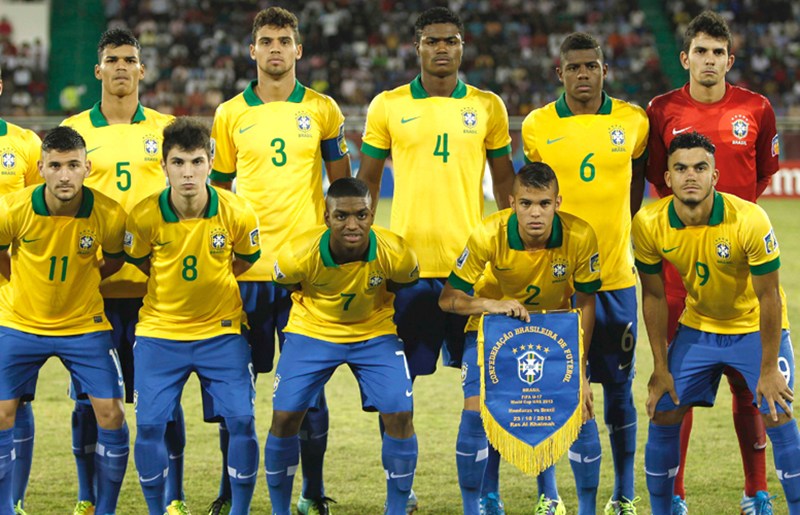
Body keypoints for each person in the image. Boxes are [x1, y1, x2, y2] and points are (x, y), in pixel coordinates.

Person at [358, 8, 514, 510]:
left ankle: (485, 493)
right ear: (417, 46)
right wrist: (361, 248)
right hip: (405, 272)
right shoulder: (388, 105)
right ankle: (400, 491)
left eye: (450, 40)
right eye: (432, 41)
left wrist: (514, 247)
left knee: (483, 393)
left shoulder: (488, 106)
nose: (441, 48)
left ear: (463, 45)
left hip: (472, 273)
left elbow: (506, 182)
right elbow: (367, 183)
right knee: (396, 396)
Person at [210, 7, 350, 513]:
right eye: (266, 41)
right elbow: (218, 194)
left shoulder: (322, 109)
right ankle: (230, 492)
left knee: (307, 393)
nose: (275, 49)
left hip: (302, 276)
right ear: (252, 50)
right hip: (245, 273)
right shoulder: (230, 114)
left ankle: (312, 493)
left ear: (298, 49)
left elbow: (344, 189)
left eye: (284, 40)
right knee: (235, 394)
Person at [645, 11, 781, 514]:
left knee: (750, 388)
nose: (709, 60)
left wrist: (734, 228)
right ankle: (675, 496)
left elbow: (762, 174)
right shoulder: (661, 110)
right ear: (685, 58)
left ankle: (756, 491)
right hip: (679, 274)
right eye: (700, 51)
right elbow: (659, 179)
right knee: (675, 389)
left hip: (741, 272)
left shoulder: (757, 108)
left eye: (717, 52)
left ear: (730, 59)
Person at [633, 131, 800, 515]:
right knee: (663, 408)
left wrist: (769, 368)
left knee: (777, 410)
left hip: (753, 327)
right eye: (681, 168)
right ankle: (664, 509)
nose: (690, 175)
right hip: (700, 326)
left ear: (715, 175)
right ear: (668, 178)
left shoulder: (749, 219)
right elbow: (654, 296)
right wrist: (660, 367)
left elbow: (770, 297)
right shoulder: (648, 223)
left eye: (700, 167)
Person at [521, 32, 649, 515]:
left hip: (615, 280)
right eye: (573, 67)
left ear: (604, 70)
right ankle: (548, 494)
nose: (582, 74)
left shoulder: (632, 121)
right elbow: (533, 197)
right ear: (559, 73)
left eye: (591, 66)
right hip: (554, 285)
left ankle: (624, 493)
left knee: (618, 391)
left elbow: (637, 184)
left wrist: (613, 232)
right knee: (549, 390)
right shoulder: (537, 125)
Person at [59, 28, 180, 515]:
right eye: (113, 59)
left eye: (130, 59)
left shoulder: (167, 129)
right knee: (89, 401)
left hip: (157, 290)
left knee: (162, 401)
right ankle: (87, 497)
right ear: (98, 69)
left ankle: (174, 498)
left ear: (142, 69)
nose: (122, 67)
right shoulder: (74, 131)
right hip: (94, 288)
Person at [438, 163, 599, 515]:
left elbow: (587, 302)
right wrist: (490, 305)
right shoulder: (488, 233)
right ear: (512, 203)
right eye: (526, 203)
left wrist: (582, 371)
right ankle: (475, 505)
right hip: (492, 330)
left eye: (544, 203)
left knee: (582, 410)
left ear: (558, 202)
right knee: (476, 411)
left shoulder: (581, 235)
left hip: (553, 331)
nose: (535, 213)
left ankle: (558, 499)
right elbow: (448, 298)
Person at [125, 118, 261, 515]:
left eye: (197, 162)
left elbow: (245, 260)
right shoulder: (144, 215)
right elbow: (142, 264)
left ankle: (239, 511)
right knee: (149, 426)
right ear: (163, 165)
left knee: (242, 421)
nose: (188, 173)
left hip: (221, 334)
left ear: (211, 162)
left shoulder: (237, 211)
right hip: (159, 333)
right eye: (179, 162)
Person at [265, 177, 419, 515]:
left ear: (372, 214)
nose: (352, 225)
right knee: (284, 418)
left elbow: (404, 281)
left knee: (400, 414)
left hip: (373, 332)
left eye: (361, 215)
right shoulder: (296, 254)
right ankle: (280, 511)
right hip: (312, 331)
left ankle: (396, 509)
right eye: (341, 216)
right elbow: (287, 282)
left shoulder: (397, 253)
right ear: (326, 217)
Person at [0, 126, 129, 515]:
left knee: (112, 413)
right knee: (2, 413)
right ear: (40, 169)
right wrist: (20, 283)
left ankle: (104, 510)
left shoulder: (109, 213)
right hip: (21, 324)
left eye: (73, 165)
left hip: (84, 326)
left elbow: (114, 260)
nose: (64, 175)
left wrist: (82, 280)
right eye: (55, 166)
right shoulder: (12, 208)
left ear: (87, 168)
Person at [0, 63, 42, 515]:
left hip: (10, 292)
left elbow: (40, 217)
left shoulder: (25, 144)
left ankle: (14, 498)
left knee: (15, 396)